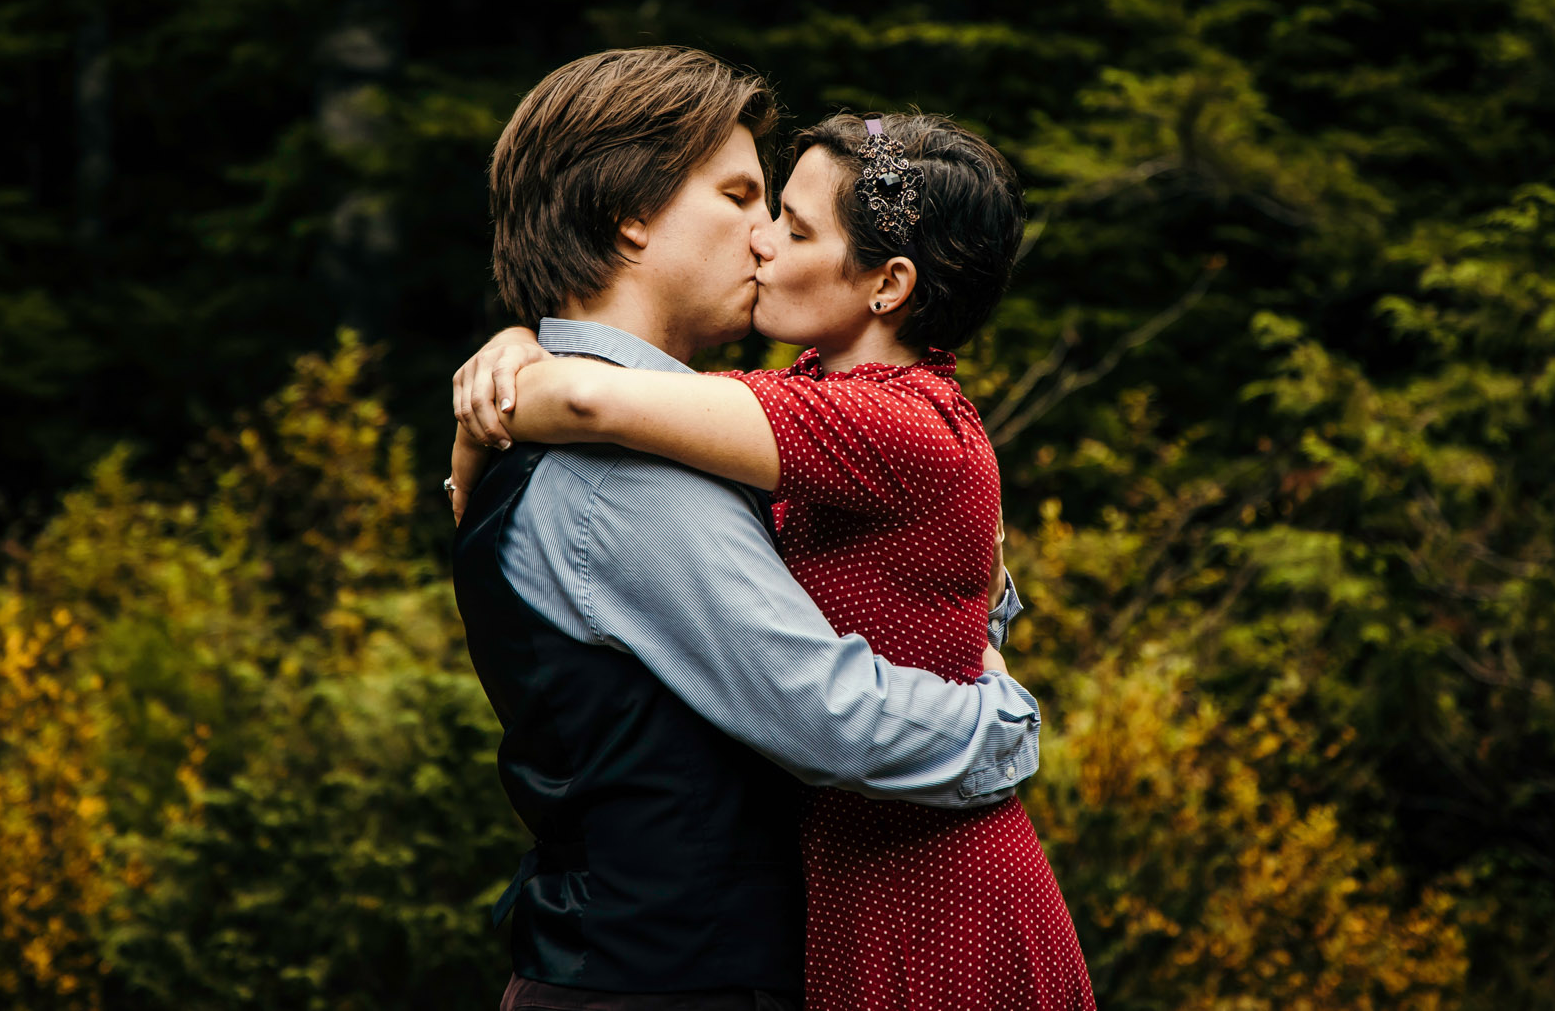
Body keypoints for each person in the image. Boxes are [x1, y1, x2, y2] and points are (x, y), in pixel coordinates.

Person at [454, 106, 1096, 1011]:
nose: (761, 240)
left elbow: (600, 399)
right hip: (828, 892)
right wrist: (518, 347)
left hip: (932, 889)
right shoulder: (794, 401)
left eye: (791, 224)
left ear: (887, 285)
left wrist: (1003, 720)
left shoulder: (887, 418)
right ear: (628, 217)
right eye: (747, 200)